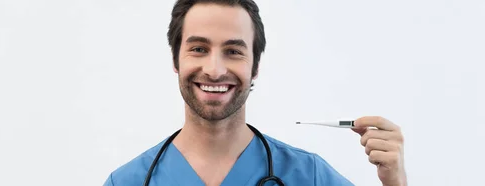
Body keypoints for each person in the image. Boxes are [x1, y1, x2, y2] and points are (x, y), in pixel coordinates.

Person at [103, 0, 407, 185]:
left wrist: (394, 180)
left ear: (255, 67)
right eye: (198, 48)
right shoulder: (128, 181)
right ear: (175, 61)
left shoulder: (308, 175)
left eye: (233, 51)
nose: (214, 69)